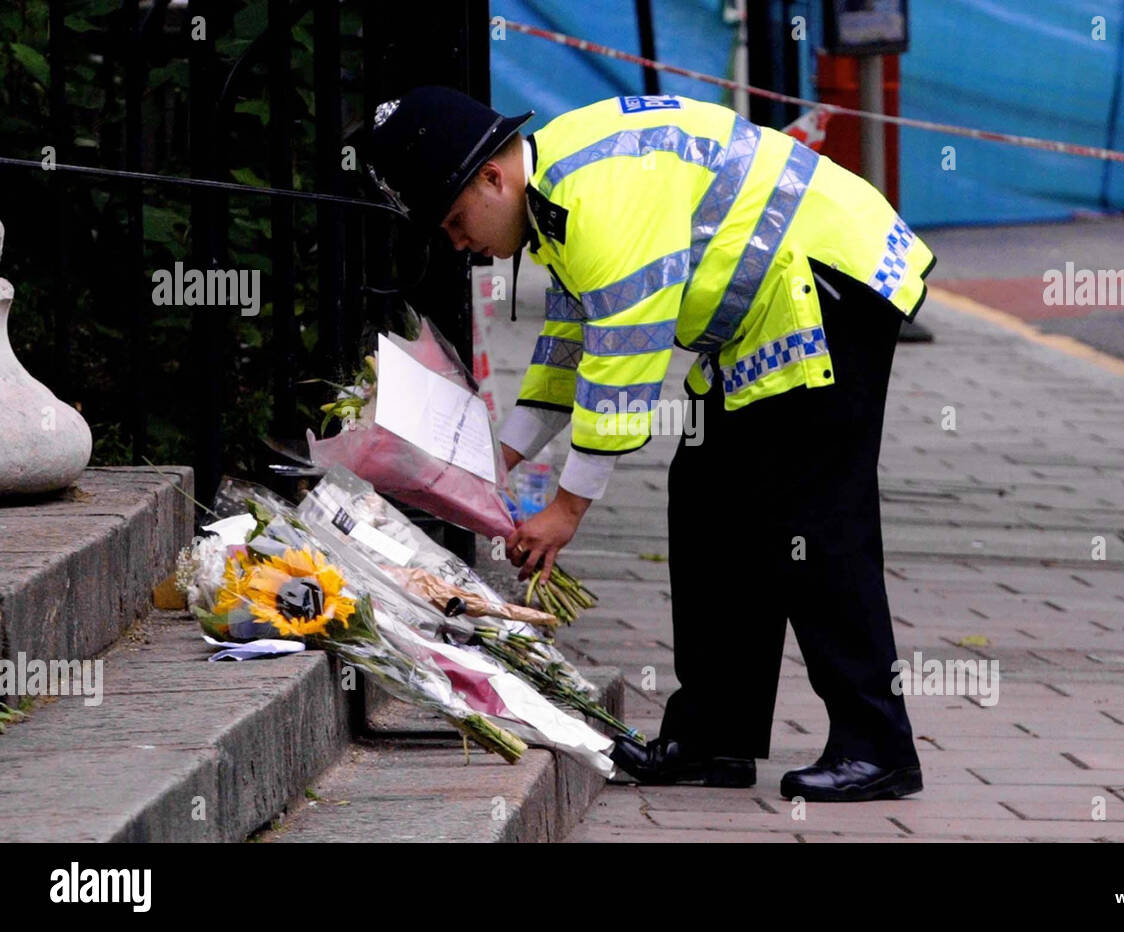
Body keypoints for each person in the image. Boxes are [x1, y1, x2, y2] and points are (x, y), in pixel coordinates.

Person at [367, 86, 935, 802]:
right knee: (710, 503)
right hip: (775, 305)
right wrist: (496, 458)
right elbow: (573, 342)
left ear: (492, 176)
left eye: (454, 221)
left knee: (815, 522)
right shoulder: (559, 197)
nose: (457, 243)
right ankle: (713, 735)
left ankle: (877, 745)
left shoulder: (597, 202)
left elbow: (624, 361)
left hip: (827, 283)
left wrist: (567, 510)